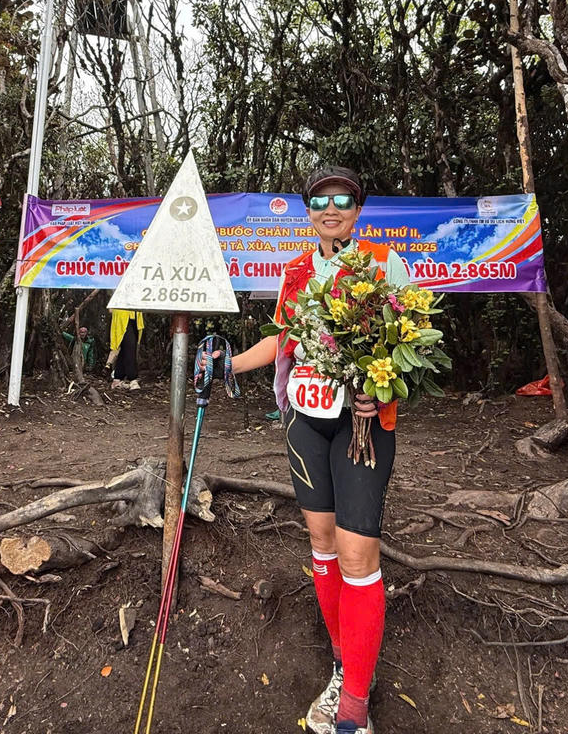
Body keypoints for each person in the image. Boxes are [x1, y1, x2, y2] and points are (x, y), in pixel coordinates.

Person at [217, 166, 407, 734]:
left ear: (358, 207)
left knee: (357, 554)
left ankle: (354, 707)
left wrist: (378, 387)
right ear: (308, 211)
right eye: (320, 200)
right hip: (304, 419)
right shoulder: (298, 271)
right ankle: (346, 665)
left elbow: (407, 340)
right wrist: (227, 364)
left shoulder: (382, 264)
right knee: (322, 544)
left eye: (343, 199)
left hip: (362, 427)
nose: (331, 208)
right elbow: (284, 340)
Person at [108, 309, 143, 390]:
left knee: (125, 349)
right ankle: (132, 379)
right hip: (122, 316)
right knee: (129, 347)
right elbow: (111, 309)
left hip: (135, 316)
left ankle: (117, 378)